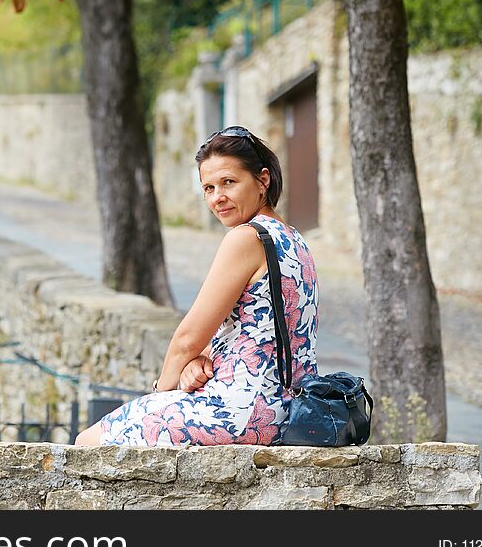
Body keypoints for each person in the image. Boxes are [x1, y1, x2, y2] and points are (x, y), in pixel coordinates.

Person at [73, 125, 318, 446]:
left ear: (262, 180)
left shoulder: (246, 238)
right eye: (208, 188)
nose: (218, 198)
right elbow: (258, 329)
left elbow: (187, 339)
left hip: (242, 412)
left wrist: (161, 394)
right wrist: (202, 360)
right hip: (290, 411)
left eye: (229, 182)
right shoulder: (293, 238)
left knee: (87, 443)